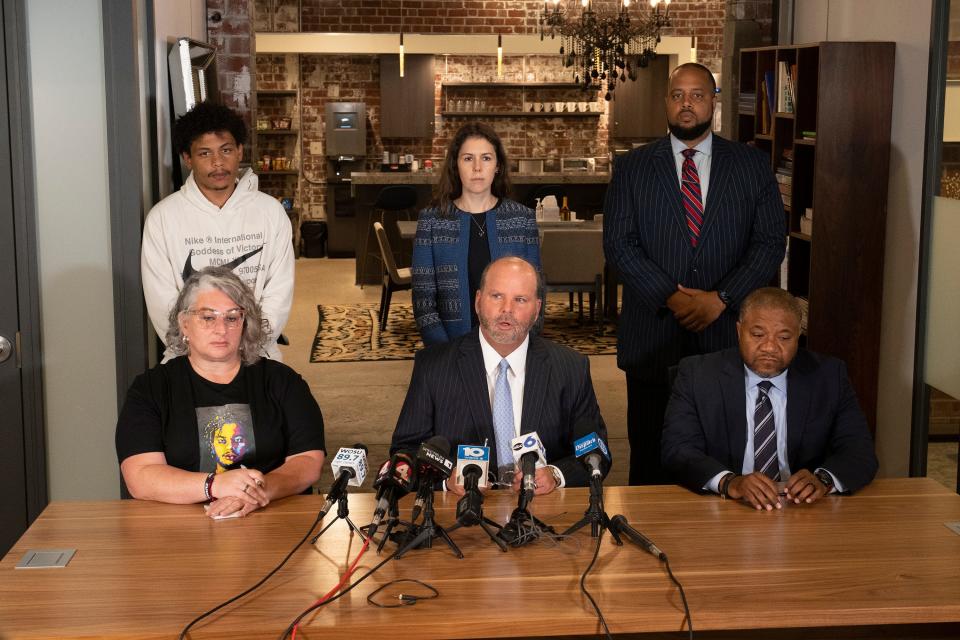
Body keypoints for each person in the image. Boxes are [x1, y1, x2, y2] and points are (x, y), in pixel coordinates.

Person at [604, 62, 786, 485]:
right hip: (653, 336)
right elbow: (619, 245)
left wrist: (720, 299)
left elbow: (770, 243)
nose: (687, 104)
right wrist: (673, 297)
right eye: (678, 95)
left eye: (697, 95)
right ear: (667, 102)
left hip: (725, 336)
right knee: (649, 457)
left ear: (713, 103)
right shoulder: (632, 168)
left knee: (720, 456)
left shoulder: (750, 165)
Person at [116, 266, 326, 518]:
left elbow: (308, 461)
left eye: (232, 317)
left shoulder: (283, 381)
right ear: (184, 324)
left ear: (244, 323)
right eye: (207, 317)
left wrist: (259, 492)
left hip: (269, 516)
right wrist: (215, 485)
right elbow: (140, 476)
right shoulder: (151, 389)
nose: (221, 328)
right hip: (180, 525)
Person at [393, 256, 608, 495]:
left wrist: (556, 475)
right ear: (477, 301)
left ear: (537, 309)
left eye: (520, 299)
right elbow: (405, 452)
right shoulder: (433, 366)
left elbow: (596, 453)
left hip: (543, 516)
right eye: (496, 296)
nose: (507, 309)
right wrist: (445, 480)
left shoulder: (571, 368)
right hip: (458, 518)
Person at [661, 287, 878, 510]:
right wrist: (730, 482)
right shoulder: (698, 375)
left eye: (784, 337)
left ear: (797, 337)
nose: (770, 347)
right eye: (757, 335)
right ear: (739, 331)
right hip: (725, 509)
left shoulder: (829, 376)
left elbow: (859, 451)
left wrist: (824, 480)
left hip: (803, 511)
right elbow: (678, 450)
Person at [142, 102, 294, 362]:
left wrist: (248, 347)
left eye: (226, 150)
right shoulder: (163, 218)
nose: (217, 162)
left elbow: (279, 293)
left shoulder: (270, 212)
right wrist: (205, 354)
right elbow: (163, 304)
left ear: (239, 151)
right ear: (187, 159)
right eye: (204, 153)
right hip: (189, 361)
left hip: (259, 357)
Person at [412, 122, 540, 346]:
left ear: (497, 166)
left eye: (486, 158)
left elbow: (536, 297)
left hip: (509, 351)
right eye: (468, 158)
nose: (477, 168)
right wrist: (446, 353)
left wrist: (513, 351)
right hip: (449, 350)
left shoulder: (521, 219)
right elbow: (424, 304)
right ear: (456, 165)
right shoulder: (432, 221)